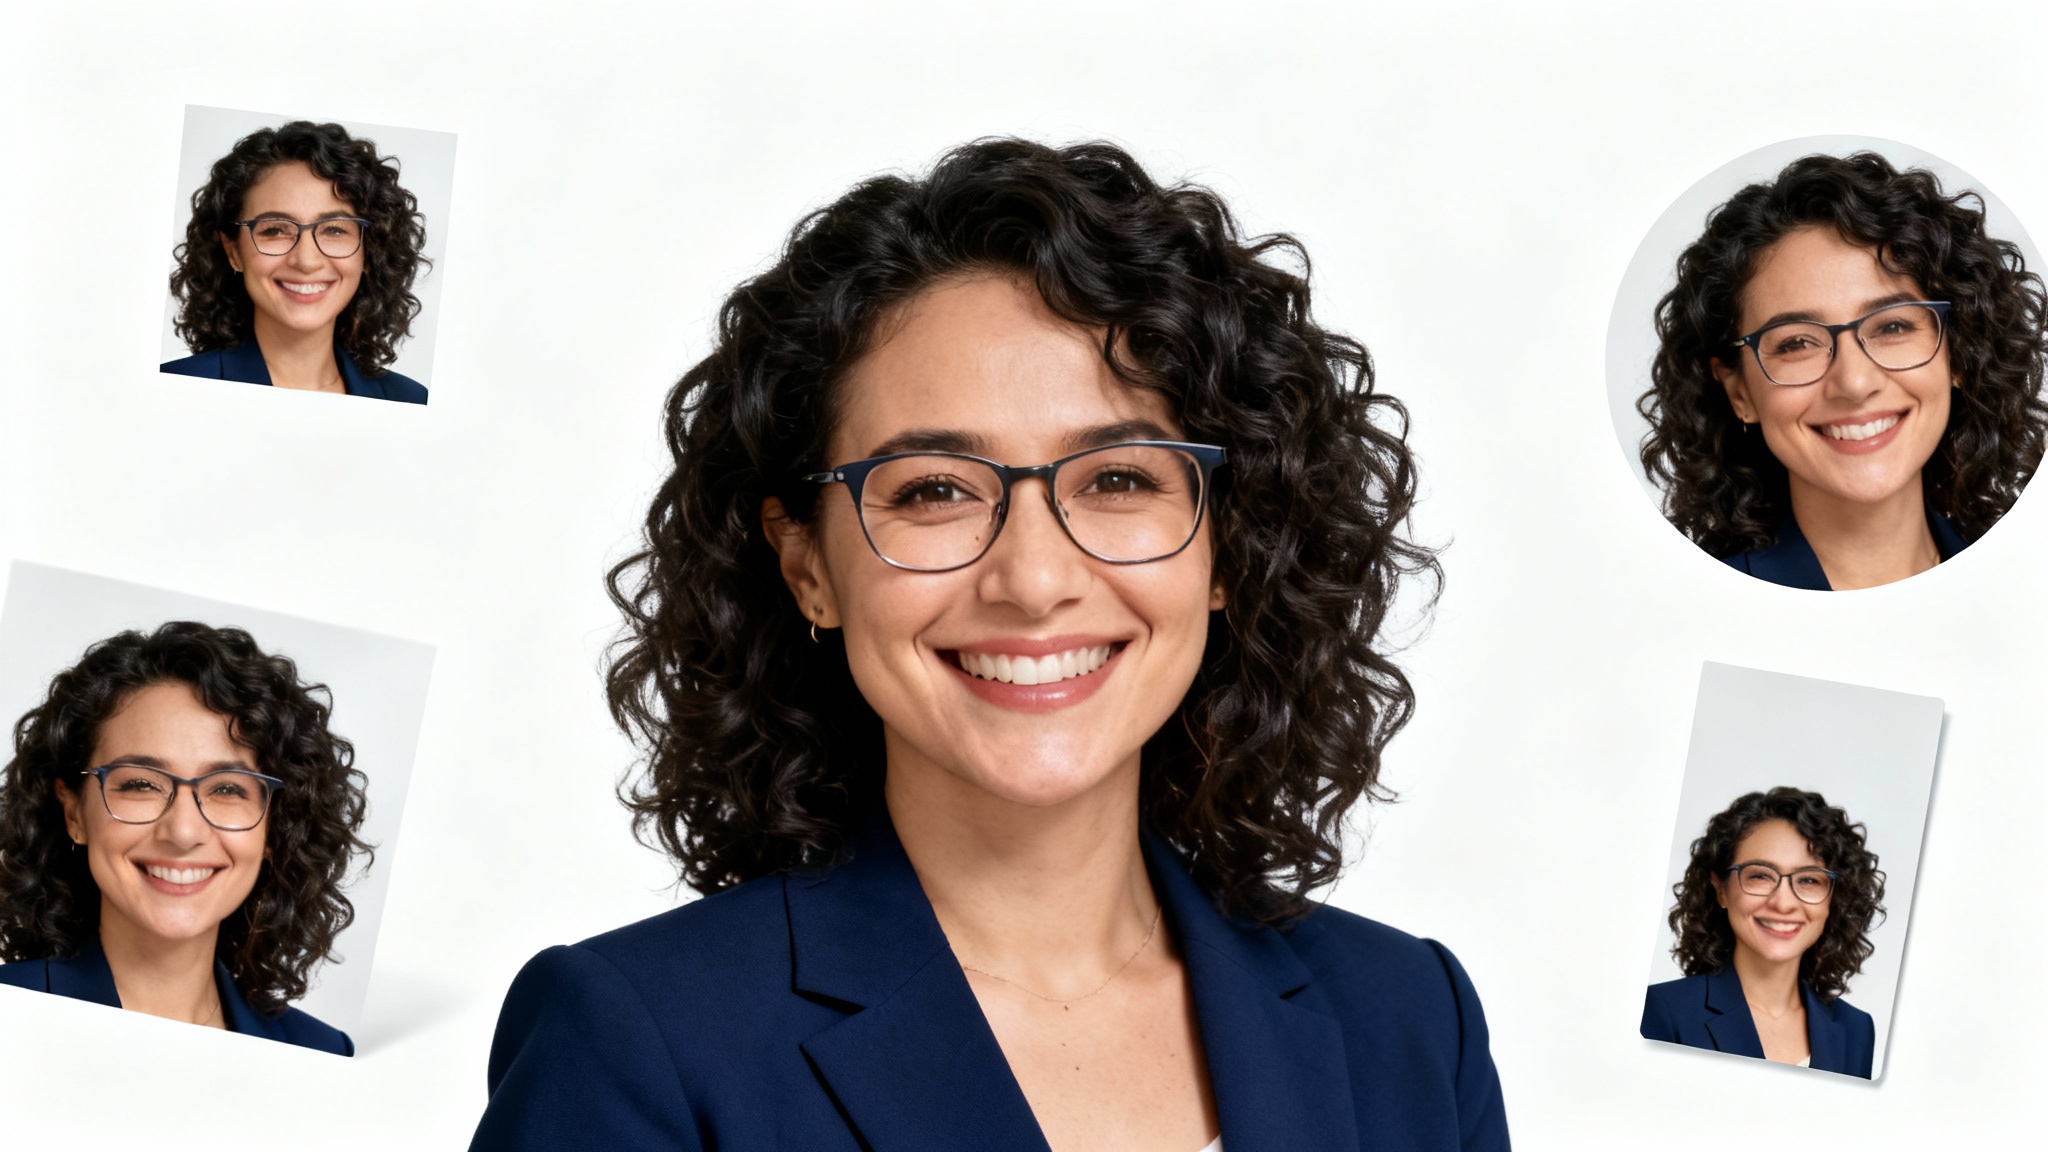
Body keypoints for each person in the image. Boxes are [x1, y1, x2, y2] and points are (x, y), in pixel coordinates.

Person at [471, 139, 1509, 1151]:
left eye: (1118, 479)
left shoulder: (1412, 1022)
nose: (1034, 580)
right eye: (934, 490)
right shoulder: (636, 1040)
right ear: (808, 566)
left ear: (1228, 545)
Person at [1637, 152, 2048, 590]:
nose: (1854, 382)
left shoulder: (2023, 590)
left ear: (1959, 354)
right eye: (1797, 343)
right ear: (1740, 393)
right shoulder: (1692, 608)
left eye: (1892, 326)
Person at [0, 622, 371, 1054]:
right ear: (74, 813)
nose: (183, 832)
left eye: (228, 788)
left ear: (275, 828)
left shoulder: (325, 1053)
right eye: (141, 784)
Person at [162, 120, 431, 404]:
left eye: (334, 229)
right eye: (275, 230)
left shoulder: (410, 400)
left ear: (369, 251)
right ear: (233, 252)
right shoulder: (172, 390)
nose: (306, 261)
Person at [1641, 787, 1884, 1078]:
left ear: (1835, 898)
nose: (1783, 903)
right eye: (1760, 876)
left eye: (1808, 880)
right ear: (1721, 890)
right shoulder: (1662, 1011)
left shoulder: (1856, 1030)